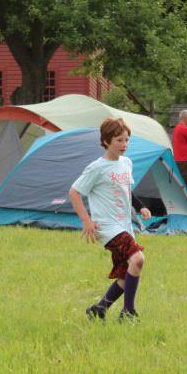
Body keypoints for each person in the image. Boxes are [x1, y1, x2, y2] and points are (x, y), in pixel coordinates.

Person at [70, 117, 151, 322]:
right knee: (138, 259)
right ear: (106, 141)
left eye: (126, 140)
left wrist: (140, 206)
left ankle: (100, 309)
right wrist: (87, 221)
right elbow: (74, 192)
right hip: (107, 228)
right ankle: (128, 312)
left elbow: (127, 190)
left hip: (125, 225)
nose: (124, 145)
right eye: (119, 140)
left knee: (127, 273)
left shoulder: (127, 163)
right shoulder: (97, 168)